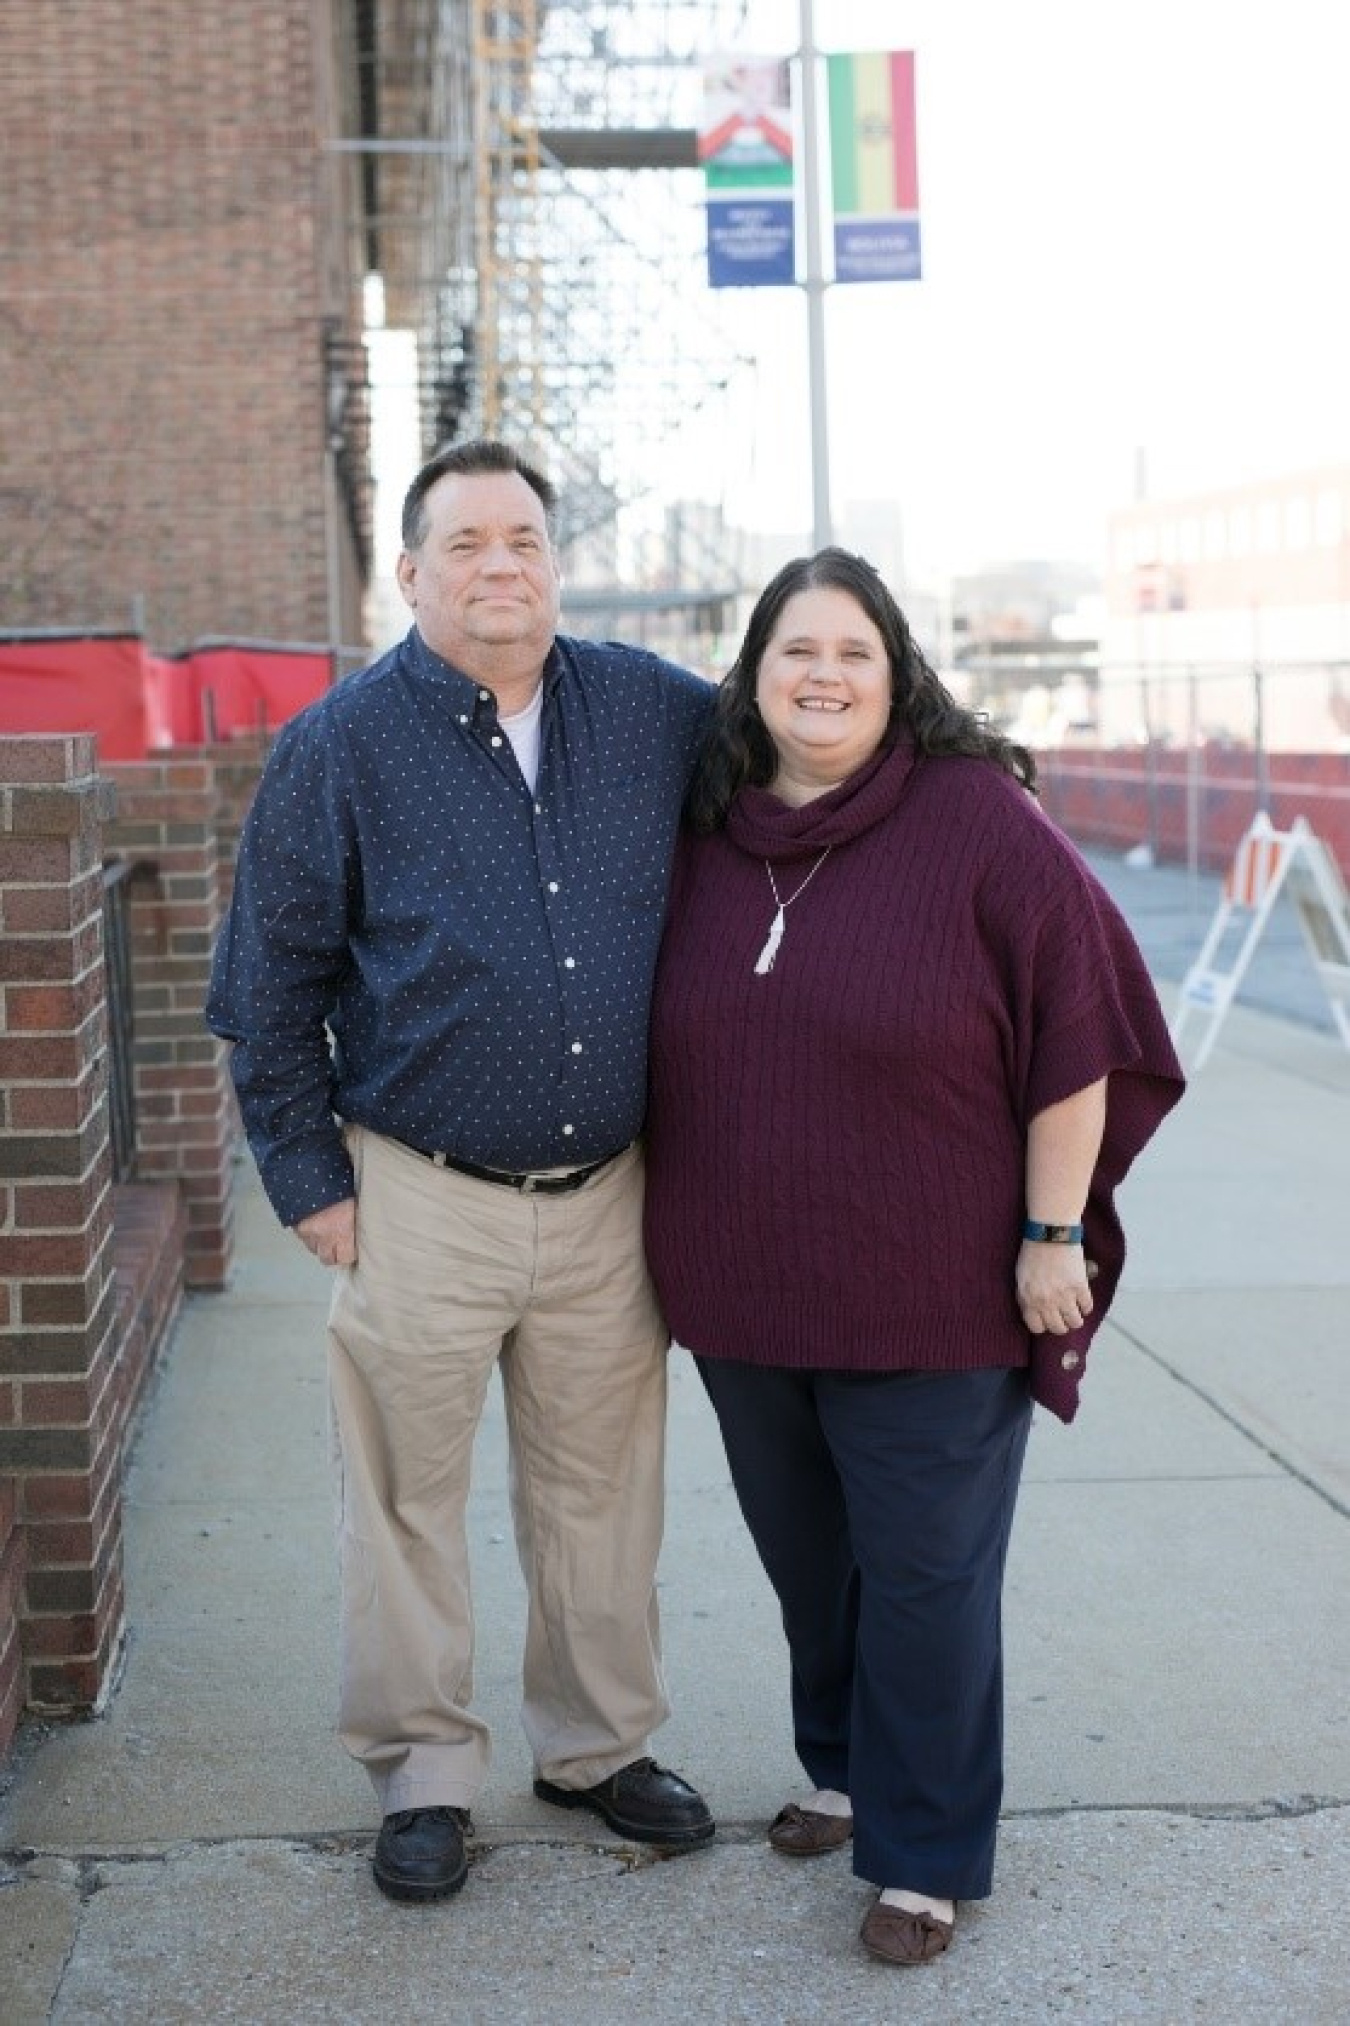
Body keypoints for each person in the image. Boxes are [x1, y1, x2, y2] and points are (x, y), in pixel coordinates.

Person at [642, 548, 1184, 1967]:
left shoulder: (974, 821)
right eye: (792, 652)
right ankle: (840, 1767)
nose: (820, 675)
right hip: (741, 1284)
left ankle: (925, 1849)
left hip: (936, 1287)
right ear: (750, 678)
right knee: (811, 1567)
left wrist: (1051, 1230)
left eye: (852, 653)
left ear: (898, 676)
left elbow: (1080, 1031)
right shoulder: (704, 824)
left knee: (927, 1575)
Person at [206, 440, 717, 1904]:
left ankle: (597, 1745)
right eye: (467, 543)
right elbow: (269, 979)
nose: (501, 564)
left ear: (557, 559)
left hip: (606, 1188)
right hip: (416, 1184)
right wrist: (309, 1177)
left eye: (525, 538)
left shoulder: (656, 714)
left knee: (602, 1494)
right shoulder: (339, 746)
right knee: (405, 1500)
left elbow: (813, 772)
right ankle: (424, 1770)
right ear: (413, 571)